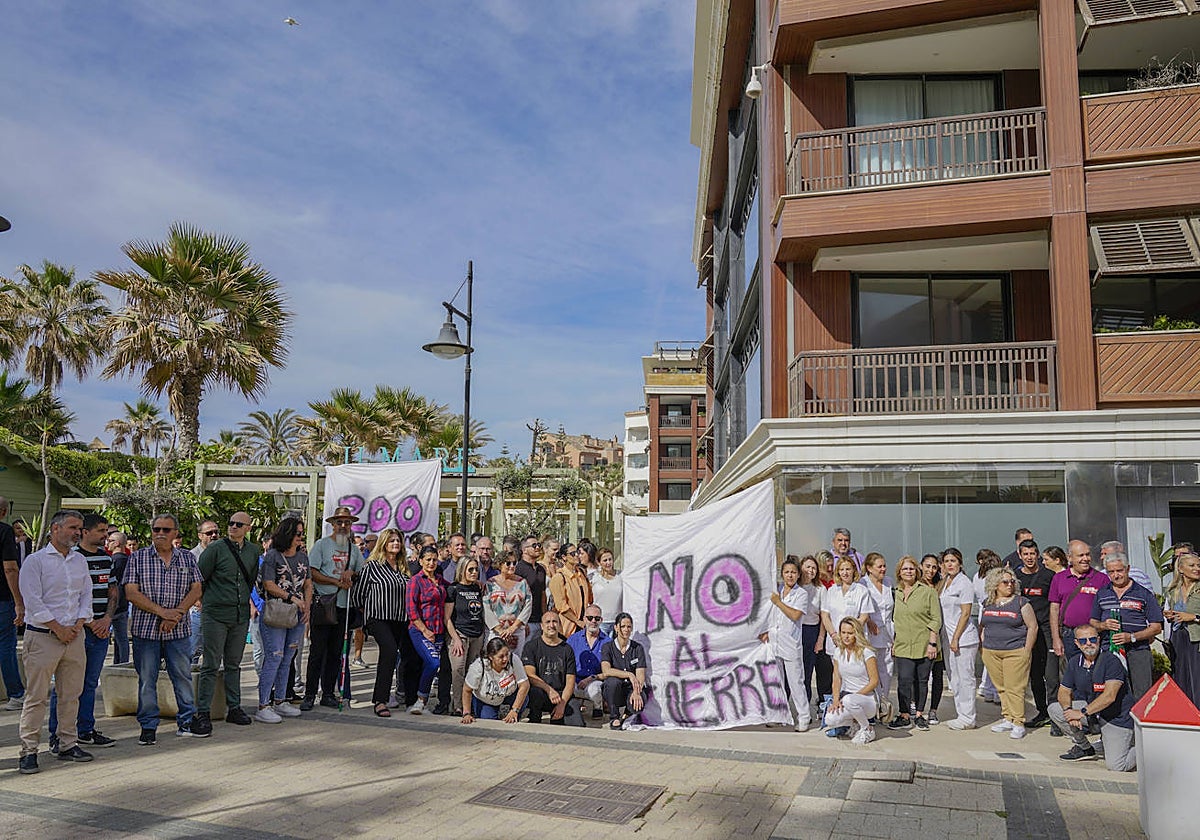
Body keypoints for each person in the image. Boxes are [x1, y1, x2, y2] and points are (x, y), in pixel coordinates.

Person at [16, 511, 93, 774]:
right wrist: (58, 628)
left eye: (80, 528)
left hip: (74, 637)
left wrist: (78, 625)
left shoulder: (79, 561)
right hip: (43, 637)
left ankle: (67, 744)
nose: (77, 533)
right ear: (55, 529)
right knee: (36, 697)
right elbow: (32, 600)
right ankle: (28, 751)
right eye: (73, 527)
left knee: (71, 695)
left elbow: (86, 595)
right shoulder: (35, 561)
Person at [123, 514, 205, 744]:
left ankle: (187, 721)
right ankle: (148, 726)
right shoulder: (137, 558)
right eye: (156, 529)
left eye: (166, 530)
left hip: (178, 631)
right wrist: (163, 613)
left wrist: (176, 613)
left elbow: (196, 589)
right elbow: (131, 593)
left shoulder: (187, 558)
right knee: (147, 680)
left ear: (175, 533)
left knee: (182, 676)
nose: (160, 533)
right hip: (146, 631)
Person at [48, 513, 118, 752]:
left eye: (106, 531)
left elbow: (113, 591)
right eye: (100, 531)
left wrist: (107, 619)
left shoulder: (107, 559)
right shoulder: (72, 558)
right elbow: (71, 597)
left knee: (89, 683)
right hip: (77, 630)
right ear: (85, 532)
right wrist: (88, 623)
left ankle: (86, 729)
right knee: (66, 686)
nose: (105, 536)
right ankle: (57, 735)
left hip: (100, 631)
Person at [193, 511, 259, 732]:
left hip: (239, 615)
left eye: (239, 524)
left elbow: (250, 581)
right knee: (210, 664)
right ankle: (203, 711)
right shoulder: (215, 549)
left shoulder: (252, 551)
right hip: (215, 614)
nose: (233, 527)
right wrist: (203, 602)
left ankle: (234, 707)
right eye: (230, 523)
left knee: (233, 664)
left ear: (248, 528)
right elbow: (199, 580)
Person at [1049, 625, 1137, 771]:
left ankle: (1144, 748)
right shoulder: (1075, 661)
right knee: (1055, 709)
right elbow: (1063, 691)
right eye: (1083, 640)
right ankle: (1084, 748)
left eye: (1092, 639)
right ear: (1077, 643)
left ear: (1098, 639)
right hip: (1093, 713)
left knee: (1117, 766)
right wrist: (1069, 711)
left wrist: (1082, 713)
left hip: (1116, 717)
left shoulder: (1111, 661)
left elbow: (1109, 696)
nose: (1088, 643)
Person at [302, 506, 363, 711]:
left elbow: (361, 571)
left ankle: (328, 692)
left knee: (336, 653)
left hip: (344, 606)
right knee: (317, 651)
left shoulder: (353, 549)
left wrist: (351, 573)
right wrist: (336, 582)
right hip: (324, 603)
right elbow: (312, 572)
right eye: (339, 522)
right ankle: (310, 693)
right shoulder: (322, 545)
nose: (343, 526)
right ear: (332, 524)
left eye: (347, 522)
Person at [255, 517, 312, 723]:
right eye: (298, 533)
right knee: (275, 656)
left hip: (297, 614)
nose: (300, 537)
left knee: (289, 657)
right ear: (287, 534)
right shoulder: (272, 556)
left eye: (301, 533)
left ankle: (281, 700)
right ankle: (263, 704)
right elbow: (269, 584)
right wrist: (292, 598)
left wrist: (307, 605)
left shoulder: (303, 557)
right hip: (276, 612)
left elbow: (307, 584)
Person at [1089, 550, 1163, 701]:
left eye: (1119, 570)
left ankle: (1140, 724)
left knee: (1142, 694)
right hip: (1109, 650)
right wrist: (1103, 625)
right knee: (1111, 693)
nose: (1116, 575)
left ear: (1128, 569)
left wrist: (1132, 637)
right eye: (1111, 572)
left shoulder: (1143, 593)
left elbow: (1156, 627)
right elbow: (1093, 622)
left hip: (1138, 651)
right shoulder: (1102, 593)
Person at [353, 528, 409, 718]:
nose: (395, 543)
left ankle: (406, 695)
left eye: (398, 541)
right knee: (390, 651)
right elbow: (358, 594)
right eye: (391, 540)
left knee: (400, 656)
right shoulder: (372, 566)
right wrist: (366, 612)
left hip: (399, 618)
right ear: (384, 543)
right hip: (378, 617)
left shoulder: (403, 568)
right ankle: (380, 700)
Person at [979, 567, 1038, 740]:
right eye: (1005, 582)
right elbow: (983, 625)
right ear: (995, 584)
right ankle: (1008, 718)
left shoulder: (1021, 602)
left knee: (1015, 688)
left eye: (1012, 581)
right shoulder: (987, 602)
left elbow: (1032, 627)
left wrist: (1027, 650)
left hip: (1015, 651)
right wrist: (983, 644)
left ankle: (1019, 722)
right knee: (1001, 688)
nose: (1009, 585)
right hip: (991, 651)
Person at [1010, 539, 1058, 733]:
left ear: (1037, 555)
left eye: (1033, 554)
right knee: (1034, 675)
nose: (1029, 557)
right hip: (1026, 631)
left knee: (1051, 675)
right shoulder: (1015, 578)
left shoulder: (1049, 576)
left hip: (1046, 630)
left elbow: (1056, 604)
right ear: (1020, 555)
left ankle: (1056, 716)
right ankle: (1042, 712)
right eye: (1025, 554)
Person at [889, 555, 941, 731]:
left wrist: (932, 643)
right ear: (899, 572)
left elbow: (935, 619)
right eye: (905, 569)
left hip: (924, 643)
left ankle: (919, 715)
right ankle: (904, 715)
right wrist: (894, 642)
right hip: (903, 643)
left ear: (916, 571)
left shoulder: (928, 592)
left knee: (922, 681)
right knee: (903, 680)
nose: (908, 572)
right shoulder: (895, 592)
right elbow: (894, 620)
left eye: (911, 568)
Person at [820, 557, 870, 732]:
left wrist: (850, 633)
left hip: (853, 640)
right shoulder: (831, 590)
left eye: (848, 569)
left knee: (855, 674)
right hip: (835, 639)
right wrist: (834, 634)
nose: (845, 573)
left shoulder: (861, 590)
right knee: (836, 675)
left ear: (854, 571)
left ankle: (860, 714)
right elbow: (825, 615)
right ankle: (840, 710)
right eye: (842, 569)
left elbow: (864, 615)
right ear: (837, 572)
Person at [762, 556, 811, 732]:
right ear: (782, 574)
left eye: (793, 572)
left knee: (796, 682)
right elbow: (772, 616)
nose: (790, 575)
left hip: (791, 644)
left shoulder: (802, 594)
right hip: (775, 642)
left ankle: (804, 716)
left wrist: (778, 602)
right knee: (777, 682)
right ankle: (779, 715)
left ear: (798, 575)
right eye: (787, 572)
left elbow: (795, 615)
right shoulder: (778, 591)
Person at [938, 548, 979, 731]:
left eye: (953, 561)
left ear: (960, 563)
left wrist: (955, 638)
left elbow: (966, 613)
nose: (950, 564)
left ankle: (968, 717)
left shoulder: (965, 583)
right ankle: (960, 714)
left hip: (963, 638)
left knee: (966, 678)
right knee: (954, 678)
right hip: (948, 638)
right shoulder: (946, 581)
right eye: (946, 561)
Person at [824, 618, 880, 745]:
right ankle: (854, 724)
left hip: (868, 700)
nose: (846, 636)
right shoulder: (838, 652)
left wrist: (854, 696)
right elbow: (836, 679)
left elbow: (874, 681)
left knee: (850, 700)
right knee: (830, 719)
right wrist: (836, 700)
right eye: (843, 632)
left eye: (850, 633)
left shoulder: (867, 652)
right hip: (847, 698)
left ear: (857, 633)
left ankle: (867, 728)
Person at [1050, 540, 1108, 663]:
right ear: (1069, 558)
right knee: (1074, 671)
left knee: (1097, 670)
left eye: (1087, 554)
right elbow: (1054, 609)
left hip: (1094, 635)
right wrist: (1056, 638)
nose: (1086, 559)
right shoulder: (1059, 578)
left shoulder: (1101, 579)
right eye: (1081, 555)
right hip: (1069, 635)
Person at [405, 541, 446, 714]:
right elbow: (411, 610)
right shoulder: (415, 581)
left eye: (434, 560)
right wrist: (424, 630)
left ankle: (423, 701)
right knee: (432, 662)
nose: (431, 563)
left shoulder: (441, 581)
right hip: (420, 630)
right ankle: (419, 700)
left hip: (439, 631)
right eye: (428, 559)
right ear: (421, 561)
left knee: (431, 667)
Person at [445, 555, 487, 716]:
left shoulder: (478, 588)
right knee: (458, 670)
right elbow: (447, 618)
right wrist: (455, 639)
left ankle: (470, 705)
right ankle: (457, 705)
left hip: (477, 634)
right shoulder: (453, 589)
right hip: (460, 634)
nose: (474, 572)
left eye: (476, 569)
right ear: (462, 570)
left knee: (473, 671)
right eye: (470, 569)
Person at [521, 611, 578, 724]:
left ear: (559, 625)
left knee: (577, 725)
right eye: (548, 622)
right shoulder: (531, 646)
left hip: (561, 696)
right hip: (541, 693)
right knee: (535, 692)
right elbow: (530, 676)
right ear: (541, 626)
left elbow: (570, 682)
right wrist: (549, 690)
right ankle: (534, 718)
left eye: (555, 622)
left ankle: (557, 717)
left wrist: (562, 704)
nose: (551, 625)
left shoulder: (567, 649)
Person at [857, 552, 894, 716]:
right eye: (879, 566)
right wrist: (869, 621)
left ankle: (884, 704)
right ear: (869, 568)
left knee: (887, 669)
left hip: (887, 633)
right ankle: (871, 705)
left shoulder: (888, 582)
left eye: (884, 565)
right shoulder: (862, 584)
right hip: (871, 633)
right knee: (871, 671)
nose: (883, 569)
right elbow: (861, 608)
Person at [461, 637, 529, 724]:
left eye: (507, 654)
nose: (505, 659)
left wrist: (514, 710)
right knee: (489, 722)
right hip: (485, 699)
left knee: (525, 698)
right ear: (490, 657)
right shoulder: (478, 666)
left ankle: (513, 716)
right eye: (501, 656)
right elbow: (467, 690)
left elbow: (524, 685)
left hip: (508, 693)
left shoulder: (513, 659)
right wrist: (466, 713)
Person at [1163, 552, 1200, 709]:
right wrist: (1169, 615)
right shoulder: (1173, 591)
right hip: (1179, 638)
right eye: (1192, 565)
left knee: (1197, 680)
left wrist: (1193, 617)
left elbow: (1190, 616)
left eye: (1198, 565)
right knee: (1182, 678)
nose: (1197, 568)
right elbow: (1175, 615)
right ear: (1181, 568)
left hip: (1196, 640)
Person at [600, 611, 648, 730]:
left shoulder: (637, 648)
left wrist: (636, 692)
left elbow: (641, 674)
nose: (626, 629)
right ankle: (614, 716)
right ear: (616, 628)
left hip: (631, 688)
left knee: (638, 705)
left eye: (629, 627)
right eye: (623, 626)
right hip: (614, 690)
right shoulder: (607, 647)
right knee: (612, 682)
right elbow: (606, 670)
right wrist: (629, 674)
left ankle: (627, 713)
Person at [0, 496, 25, 712]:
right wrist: (19, 601)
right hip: (2, 597)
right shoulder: (4, 531)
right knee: (6, 646)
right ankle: (15, 694)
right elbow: (10, 568)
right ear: (4, 512)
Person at [798, 556, 829, 718]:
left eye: (814, 568)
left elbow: (824, 617)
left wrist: (820, 639)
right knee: (793, 672)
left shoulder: (820, 589)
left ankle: (804, 712)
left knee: (807, 673)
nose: (810, 570)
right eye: (808, 567)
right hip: (794, 631)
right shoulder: (794, 586)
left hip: (812, 631)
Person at [485, 550, 532, 653]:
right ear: (500, 564)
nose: (512, 566)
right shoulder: (490, 583)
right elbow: (486, 608)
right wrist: (500, 630)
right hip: (496, 632)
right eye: (508, 563)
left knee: (514, 661)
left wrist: (513, 628)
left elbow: (527, 606)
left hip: (516, 632)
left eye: (514, 563)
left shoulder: (522, 583)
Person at [567, 604, 610, 719]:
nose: (593, 621)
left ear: (601, 620)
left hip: (595, 680)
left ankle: (598, 707)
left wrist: (591, 678)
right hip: (575, 680)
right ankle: (574, 706)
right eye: (590, 618)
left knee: (595, 690)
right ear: (584, 619)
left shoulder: (608, 642)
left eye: (597, 618)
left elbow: (609, 671)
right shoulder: (572, 639)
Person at [187, 520, 220, 667]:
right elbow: (185, 583)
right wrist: (197, 602)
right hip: (198, 611)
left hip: (218, 611)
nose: (213, 535)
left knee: (214, 652)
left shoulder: (223, 553)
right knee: (193, 651)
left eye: (216, 532)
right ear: (200, 536)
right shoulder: (191, 556)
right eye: (209, 533)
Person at [973, 549, 1003, 706]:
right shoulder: (993, 580)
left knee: (987, 654)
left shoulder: (976, 577)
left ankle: (987, 687)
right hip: (994, 614)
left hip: (983, 614)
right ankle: (995, 691)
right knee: (995, 655)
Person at [919, 553, 947, 721]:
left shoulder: (941, 585)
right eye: (927, 566)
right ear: (921, 566)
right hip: (920, 635)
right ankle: (918, 707)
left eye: (934, 567)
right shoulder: (915, 584)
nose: (930, 570)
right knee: (920, 675)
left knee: (937, 674)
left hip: (938, 635)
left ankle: (934, 709)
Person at [549, 541, 592, 636]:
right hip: (567, 627)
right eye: (572, 554)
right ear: (564, 557)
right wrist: (577, 621)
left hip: (583, 625)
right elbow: (561, 606)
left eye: (577, 552)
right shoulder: (559, 577)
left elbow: (589, 598)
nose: (576, 555)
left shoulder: (581, 574)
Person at [514, 536, 548, 645]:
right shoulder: (518, 568)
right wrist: (522, 622)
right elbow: (516, 597)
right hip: (525, 621)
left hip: (539, 620)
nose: (538, 548)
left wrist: (544, 616)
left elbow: (543, 594)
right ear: (524, 550)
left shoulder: (541, 569)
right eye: (534, 546)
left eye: (539, 545)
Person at [105, 531, 132, 665]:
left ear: (116, 543)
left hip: (115, 606)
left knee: (120, 639)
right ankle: (120, 663)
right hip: (123, 605)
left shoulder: (117, 561)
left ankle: (122, 663)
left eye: (109, 540)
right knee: (120, 639)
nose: (107, 543)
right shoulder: (129, 560)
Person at [589, 547, 622, 637]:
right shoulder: (593, 577)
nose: (608, 563)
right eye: (605, 560)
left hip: (617, 621)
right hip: (600, 621)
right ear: (599, 562)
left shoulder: (620, 576)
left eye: (610, 559)